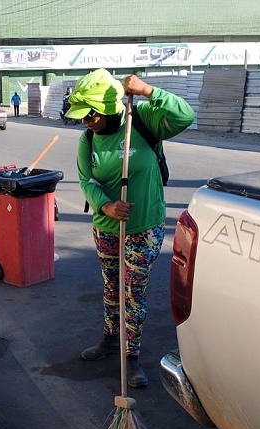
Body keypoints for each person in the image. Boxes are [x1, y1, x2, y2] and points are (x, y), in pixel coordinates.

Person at [65, 68, 194, 388]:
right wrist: (105, 205)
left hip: (144, 227)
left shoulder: (143, 120)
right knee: (111, 286)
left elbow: (185, 116)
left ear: (107, 109)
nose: (86, 122)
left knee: (132, 292)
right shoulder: (89, 138)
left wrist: (149, 91)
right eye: (81, 117)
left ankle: (130, 355)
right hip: (106, 227)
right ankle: (110, 338)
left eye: (90, 116)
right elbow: (86, 181)